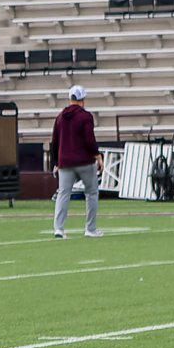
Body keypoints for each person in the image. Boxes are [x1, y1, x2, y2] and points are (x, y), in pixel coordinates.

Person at [49, 85, 102, 238]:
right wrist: (97, 155)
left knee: (63, 194)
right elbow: (89, 140)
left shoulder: (60, 117)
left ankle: (59, 228)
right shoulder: (86, 117)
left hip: (65, 162)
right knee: (91, 193)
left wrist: (56, 162)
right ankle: (90, 229)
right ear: (82, 100)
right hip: (84, 161)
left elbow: (55, 141)